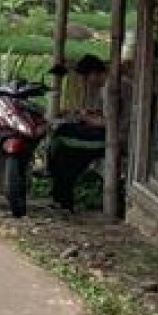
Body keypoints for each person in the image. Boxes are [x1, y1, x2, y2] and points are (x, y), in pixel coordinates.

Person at [47, 54, 109, 211]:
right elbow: (104, 115)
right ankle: (61, 198)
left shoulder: (111, 90)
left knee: (62, 135)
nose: (87, 83)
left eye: (86, 78)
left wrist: (84, 117)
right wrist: (87, 113)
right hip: (101, 133)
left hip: (111, 139)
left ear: (95, 74)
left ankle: (58, 189)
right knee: (67, 155)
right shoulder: (106, 88)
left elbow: (109, 124)